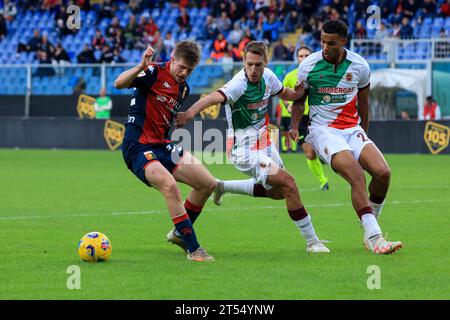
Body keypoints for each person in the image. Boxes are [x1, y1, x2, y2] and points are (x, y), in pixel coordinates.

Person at [176, 41, 330, 254]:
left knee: (279, 193)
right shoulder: (238, 84)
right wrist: (188, 114)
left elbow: (284, 92)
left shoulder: (268, 77)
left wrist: (298, 94)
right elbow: (212, 97)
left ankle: (221, 186)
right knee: (289, 183)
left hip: (265, 143)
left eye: (258, 64)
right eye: (249, 64)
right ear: (243, 62)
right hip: (243, 150)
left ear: (266, 63)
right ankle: (313, 242)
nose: (253, 70)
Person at [289, 20, 402, 254]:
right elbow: (299, 100)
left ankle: (369, 225)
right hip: (323, 130)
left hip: (352, 129)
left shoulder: (359, 66)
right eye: (322, 41)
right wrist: (294, 125)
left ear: (343, 42)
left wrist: (365, 136)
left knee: (383, 173)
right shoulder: (309, 65)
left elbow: (364, 104)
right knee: (356, 175)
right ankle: (375, 237)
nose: (325, 47)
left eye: (331, 43)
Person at [114, 42, 216, 262]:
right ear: (173, 57)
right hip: (138, 147)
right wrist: (140, 66)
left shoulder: (184, 88)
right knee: (169, 185)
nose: (184, 73)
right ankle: (194, 249)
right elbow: (119, 83)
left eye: (190, 70)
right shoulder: (152, 72)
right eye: (181, 67)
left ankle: (180, 233)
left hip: (162, 145)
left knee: (208, 183)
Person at [280, 46, 329, 190]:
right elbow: (282, 93)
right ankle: (323, 181)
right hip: (300, 118)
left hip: (318, 116)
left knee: (324, 149)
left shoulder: (320, 74)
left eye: (307, 55)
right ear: (297, 58)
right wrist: (288, 105)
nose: (304, 58)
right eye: (301, 56)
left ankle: (323, 154)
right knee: (309, 154)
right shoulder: (290, 76)